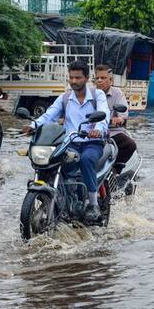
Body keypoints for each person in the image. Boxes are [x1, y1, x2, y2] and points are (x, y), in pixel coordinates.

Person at [22, 60, 110, 221]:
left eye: (78, 78)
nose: (74, 81)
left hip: (92, 142)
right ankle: (58, 196)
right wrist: (33, 125)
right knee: (53, 162)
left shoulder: (98, 95)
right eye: (71, 78)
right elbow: (49, 115)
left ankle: (92, 204)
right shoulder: (65, 98)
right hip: (70, 142)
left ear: (87, 78)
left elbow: (104, 114)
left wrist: (97, 129)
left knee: (86, 159)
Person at [94, 65, 137, 170]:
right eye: (97, 78)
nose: (100, 81)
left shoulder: (117, 93)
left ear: (110, 80)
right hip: (92, 133)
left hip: (112, 131)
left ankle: (115, 170)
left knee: (130, 145)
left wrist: (119, 119)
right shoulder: (90, 93)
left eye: (103, 78)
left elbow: (123, 114)